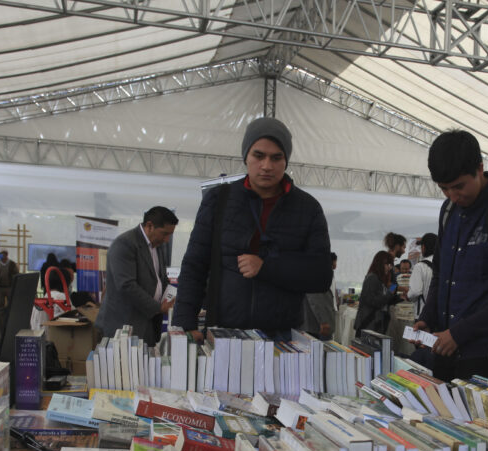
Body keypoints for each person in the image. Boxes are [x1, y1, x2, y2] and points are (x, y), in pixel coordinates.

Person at [174, 117, 332, 338]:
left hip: (283, 336)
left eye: (276, 158)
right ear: (246, 156)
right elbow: (194, 264)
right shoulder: (218, 200)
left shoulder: (308, 208)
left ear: (286, 161)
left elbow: (321, 276)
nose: (267, 166)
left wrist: (267, 267)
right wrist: (185, 323)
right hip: (223, 331)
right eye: (259, 155)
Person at [416, 130, 488, 383]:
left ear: (480, 168)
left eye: (459, 186)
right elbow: (440, 273)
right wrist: (428, 317)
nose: (452, 196)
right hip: (445, 351)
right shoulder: (448, 210)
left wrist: (459, 334)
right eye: (444, 189)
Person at [95, 206, 177, 344]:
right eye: (164, 233)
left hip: (148, 323)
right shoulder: (124, 244)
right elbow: (127, 285)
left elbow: (160, 279)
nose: (167, 240)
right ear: (150, 226)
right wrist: (159, 308)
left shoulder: (158, 246)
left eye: (170, 235)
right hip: (123, 326)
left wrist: (171, 296)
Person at [355, 251, 402, 335]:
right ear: (380, 264)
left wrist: (400, 298)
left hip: (377, 323)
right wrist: (390, 292)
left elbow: (385, 300)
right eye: (387, 265)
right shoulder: (372, 278)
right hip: (369, 324)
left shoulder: (381, 279)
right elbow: (374, 302)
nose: (389, 268)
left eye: (391, 265)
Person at [303, 252, 338, 340]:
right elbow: (315, 299)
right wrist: (324, 321)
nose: (335, 266)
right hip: (318, 326)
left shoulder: (310, 272)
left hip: (313, 324)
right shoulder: (318, 274)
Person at [406, 232, 437, 319]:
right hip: (439, 315)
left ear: (424, 247)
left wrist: (408, 295)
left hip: (423, 315)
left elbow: (415, 292)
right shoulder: (445, 265)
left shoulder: (420, 266)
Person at [0, 249, 18, 325]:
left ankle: (10, 319)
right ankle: (1, 321)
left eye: (2, 255)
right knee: (0, 304)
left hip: (9, 286)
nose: (0, 256)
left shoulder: (12, 264)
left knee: (11, 303)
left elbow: (16, 274)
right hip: (0, 287)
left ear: (6, 255)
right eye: (0, 255)